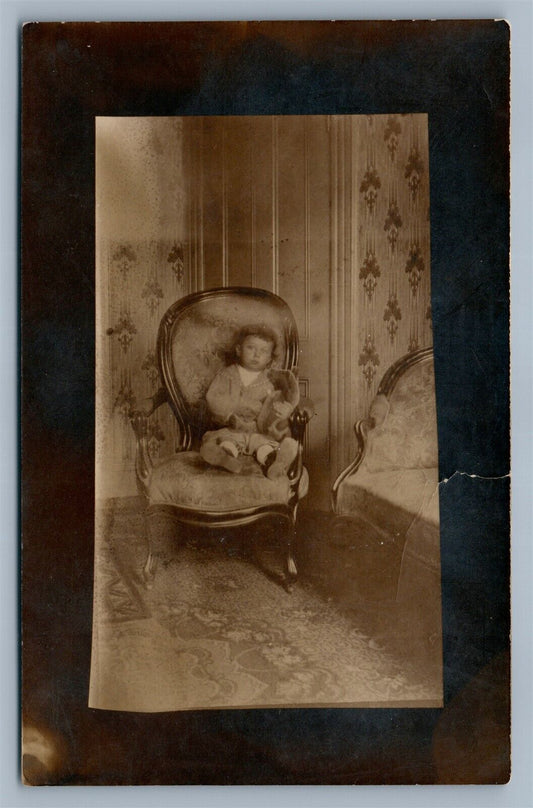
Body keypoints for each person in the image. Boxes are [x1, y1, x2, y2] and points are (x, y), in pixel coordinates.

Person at [200, 325, 299, 477]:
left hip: (259, 431)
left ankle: (273, 462)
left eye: (263, 351)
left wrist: (284, 411)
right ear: (239, 350)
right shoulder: (227, 375)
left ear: (270, 358)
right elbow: (214, 398)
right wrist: (229, 414)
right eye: (251, 348)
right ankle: (225, 457)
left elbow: (277, 405)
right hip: (232, 428)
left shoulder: (271, 380)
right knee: (227, 440)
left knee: (264, 445)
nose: (256, 355)